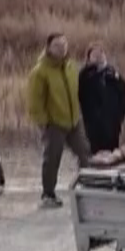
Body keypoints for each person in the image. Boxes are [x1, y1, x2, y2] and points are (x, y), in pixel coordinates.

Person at [25, 33, 91, 208]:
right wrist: (44, 122)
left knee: (84, 153)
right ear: (48, 48)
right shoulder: (40, 72)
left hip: (74, 120)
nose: (61, 49)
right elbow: (34, 101)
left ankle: (88, 186)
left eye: (64, 45)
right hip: (54, 123)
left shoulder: (71, 66)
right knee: (52, 159)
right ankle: (48, 194)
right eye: (57, 45)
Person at [77, 43, 125, 154]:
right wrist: (94, 67)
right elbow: (81, 91)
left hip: (113, 121)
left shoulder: (112, 72)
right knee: (96, 152)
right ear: (89, 58)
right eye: (95, 55)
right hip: (94, 122)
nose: (99, 57)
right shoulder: (86, 74)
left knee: (113, 151)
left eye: (101, 53)